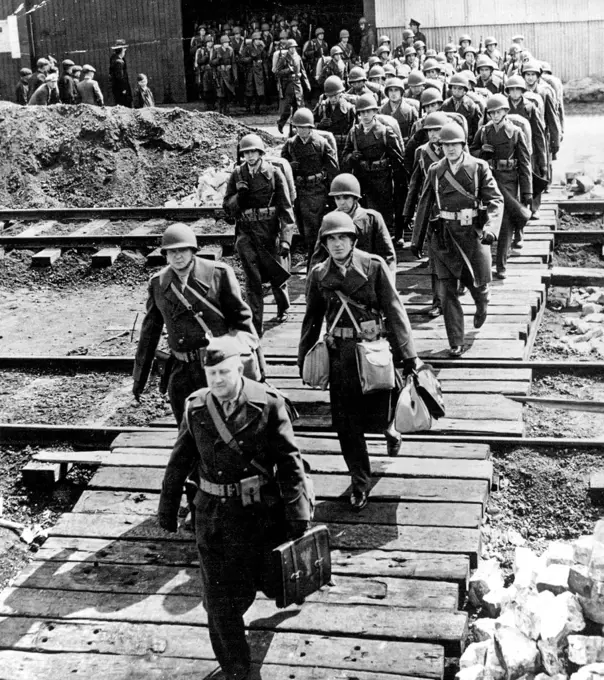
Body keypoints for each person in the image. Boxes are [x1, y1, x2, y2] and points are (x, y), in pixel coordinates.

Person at [158, 334, 311, 680]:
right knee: (219, 603)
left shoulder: (268, 402)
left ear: (239, 368)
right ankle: (238, 670)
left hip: (259, 516)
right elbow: (180, 460)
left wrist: (298, 515)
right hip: (212, 518)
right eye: (211, 375)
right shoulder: (196, 407)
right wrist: (167, 509)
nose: (217, 381)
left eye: (224, 373)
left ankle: (277, 596)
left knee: (267, 582)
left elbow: (290, 462)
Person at [299, 212, 417, 510]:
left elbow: (394, 310)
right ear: (324, 243)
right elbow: (311, 319)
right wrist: (304, 356)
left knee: (380, 409)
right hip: (340, 353)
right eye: (331, 239)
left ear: (353, 240)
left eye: (343, 238)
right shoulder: (318, 274)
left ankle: (390, 428)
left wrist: (409, 355)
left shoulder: (373, 266)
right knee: (346, 423)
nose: (337, 244)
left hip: (374, 349)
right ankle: (360, 480)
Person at [132, 223, 257, 424]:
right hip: (181, 371)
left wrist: (255, 372)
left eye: (182, 250)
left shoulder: (219, 274)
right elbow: (149, 334)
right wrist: (139, 380)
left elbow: (243, 322)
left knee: (224, 428)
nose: (177, 256)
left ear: (193, 251)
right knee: (187, 429)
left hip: (216, 368)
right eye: (171, 252)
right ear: (165, 254)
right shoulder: (158, 283)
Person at [412, 122, 504, 357]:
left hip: (472, 235)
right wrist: (417, 239)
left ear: (463, 145)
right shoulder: (435, 170)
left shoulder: (478, 167)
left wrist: (491, 228)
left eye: (455, 145)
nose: (450, 149)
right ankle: (456, 340)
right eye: (446, 145)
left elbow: (495, 200)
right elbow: (425, 203)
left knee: (477, 284)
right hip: (443, 237)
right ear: (440, 146)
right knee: (447, 291)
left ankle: (483, 301)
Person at [223, 134, 295, 335]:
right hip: (246, 233)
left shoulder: (274, 173)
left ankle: (283, 306)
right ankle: (256, 324)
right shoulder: (237, 175)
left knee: (276, 275)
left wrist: (287, 240)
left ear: (261, 152)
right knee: (252, 280)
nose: (250, 156)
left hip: (270, 232)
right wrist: (239, 196)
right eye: (246, 152)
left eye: (253, 151)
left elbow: (286, 209)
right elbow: (227, 207)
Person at [470, 94, 532, 278]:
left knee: (506, 223)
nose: (495, 115)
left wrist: (527, 191)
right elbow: (471, 151)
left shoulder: (515, 132)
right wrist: (481, 151)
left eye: (499, 112)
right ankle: (484, 262)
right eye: (492, 112)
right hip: (489, 178)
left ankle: (501, 265)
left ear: (506, 112)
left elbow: (525, 163)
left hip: (509, 180)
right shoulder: (484, 132)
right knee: (485, 218)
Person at [403, 111, 449, 317]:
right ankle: (438, 302)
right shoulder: (421, 153)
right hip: (431, 212)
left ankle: (454, 293)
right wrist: (408, 212)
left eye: (437, 130)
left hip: (453, 211)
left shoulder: (454, 148)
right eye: (430, 130)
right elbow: (415, 184)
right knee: (435, 259)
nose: (433, 134)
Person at [281, 107, 339, 261]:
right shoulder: (290, 144)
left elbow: (333, 169)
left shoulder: (321, 143)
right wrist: (289, 165)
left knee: (313, 227)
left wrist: (334, 193)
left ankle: (316, 258)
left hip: (316, 190)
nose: (300, 131)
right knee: (301, 225)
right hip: (299, 190)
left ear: (310, 127)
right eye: (297, 127)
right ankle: (314, 254)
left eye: (304, 127)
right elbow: (282, 167)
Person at [343, 93, 405, 233]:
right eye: (362, 112)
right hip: (363, 177)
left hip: (382, 177)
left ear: (375, 112)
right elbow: (344, 156)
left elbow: (397, 157)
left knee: (384, 209)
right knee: (364, 210)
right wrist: (352, 156)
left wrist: (398, 179)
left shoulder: (385, 132)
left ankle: (385, 236)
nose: (365, 115)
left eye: (368, 111)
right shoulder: (354, 132)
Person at [310, 173, 396, 273]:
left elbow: (388, 257)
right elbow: (317, 259)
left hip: (367, 276)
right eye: (338, 198)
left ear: (355, 198)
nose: (342, 202)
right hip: (338, 278)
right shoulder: (329, 220)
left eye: (346, 197)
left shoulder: (372, 219)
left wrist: (387, 283)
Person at [505, 75, 548, 222]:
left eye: (518, 89)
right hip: (510, 147)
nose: (515, 93)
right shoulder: (503, 107)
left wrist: (543, 160)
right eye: (512, 90)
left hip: (529, 148)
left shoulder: (530, 107)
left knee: (532, 175)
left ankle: (534, 208)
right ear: (508, 91)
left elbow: (538, 134)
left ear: (523, 90)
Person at [314, 75, 356, 164]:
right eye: (330, 96)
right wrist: (320, 125)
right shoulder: (322, 107)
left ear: (341, 93)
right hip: (326, 147)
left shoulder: (349, 109)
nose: (333, 99)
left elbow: (354, 131)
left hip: (343, 147)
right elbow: (311, 126)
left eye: (336, 96)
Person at [274, 38, 310, 134]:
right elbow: (277, 72)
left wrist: (307, 83)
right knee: (287, 109)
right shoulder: (283, 58)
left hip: (297, 85)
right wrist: (287, 71)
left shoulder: (298, 57)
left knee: (298, 108)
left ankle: (293, 131)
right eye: (291, 47)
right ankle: (281, 123)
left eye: (294, 47)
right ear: (288, 48)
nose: (293, 49)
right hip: (288, 85)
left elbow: (303, 70)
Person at [441, 73, 482, 144]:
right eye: (454, 88)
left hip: (466, 141)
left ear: (465, 90)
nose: (457, 91)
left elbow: (476, 129)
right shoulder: (445, 105)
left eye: (460, 88)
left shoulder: (472, 106)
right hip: (449, 140)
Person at [239, 31, 269, 114]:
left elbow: (265, 60)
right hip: (250, 71)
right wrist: (250, 59)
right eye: (256, 39)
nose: (258, 41)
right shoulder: (248, 48)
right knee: (249, 90)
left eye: (259, 39)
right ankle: (248, 107)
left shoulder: (261, 48)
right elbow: (242, 59)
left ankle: (257, 108)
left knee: (259, 92)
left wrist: (266, 72)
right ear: (253, 40)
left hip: (259, 71)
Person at [212, 34, 238, 115]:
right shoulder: (217, 50)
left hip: (228, 73)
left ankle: (226, 110)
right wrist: (218, 59)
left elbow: (233, 63)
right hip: (220, 74)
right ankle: (220, 110)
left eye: (228, 42)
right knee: (220, 93)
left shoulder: (230, 50)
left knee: (228, 92)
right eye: (225, 42)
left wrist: (235, 74)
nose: (227, 44)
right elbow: (212, 62)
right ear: (222, 43)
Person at [195, 34, 216, 108]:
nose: (210, 43)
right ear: (206, 43)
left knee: (214, 88)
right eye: (208, 42)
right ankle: (207, 104)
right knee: (206, 89)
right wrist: (205, 57)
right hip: (205, 72)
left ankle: (212, 104)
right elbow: (198, 61)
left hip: (213, 71)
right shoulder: (202, 51)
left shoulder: (215, 50)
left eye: (211, 42)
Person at [109, 38, 132, 107]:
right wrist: (124, 89)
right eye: (124, 48)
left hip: (116, 89)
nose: (125, 50)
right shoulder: (118, 62)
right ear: (122, 50)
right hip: (121, 90)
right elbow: (120, 77)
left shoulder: (114, 58)